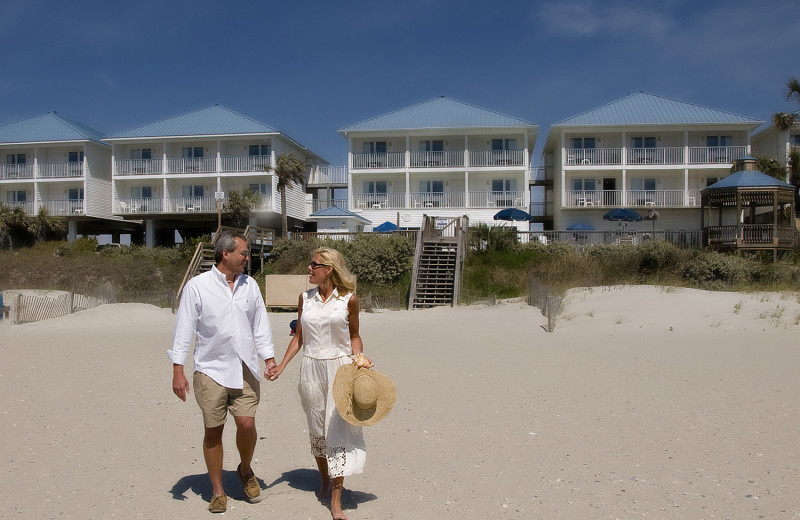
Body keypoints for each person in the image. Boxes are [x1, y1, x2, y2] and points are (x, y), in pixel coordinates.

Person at [168, 230, 277, 514]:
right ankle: (218, 490)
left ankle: (245, 469)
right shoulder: (197, 286)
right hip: (210, 370)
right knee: (213, 431)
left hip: (245, 369)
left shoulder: (250, 285)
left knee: (247, 425)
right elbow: (184, 330)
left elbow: (260, 326)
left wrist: (269, 359)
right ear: (225, 254)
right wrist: (178, 371)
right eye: (243, 252)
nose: (247, 257)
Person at [267, 247, 366, 520]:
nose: (309, 269)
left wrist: (359, 357)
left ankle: (336, 498)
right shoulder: (305, 299)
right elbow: (299, 336)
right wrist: (282, 365)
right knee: (317, 431)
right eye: (310, 264)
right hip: (310, 368)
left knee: (337, 431)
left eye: (314, 265)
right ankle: (324, 479)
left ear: (329, 269)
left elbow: (355, 335)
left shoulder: (348, 300)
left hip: (339, 368)